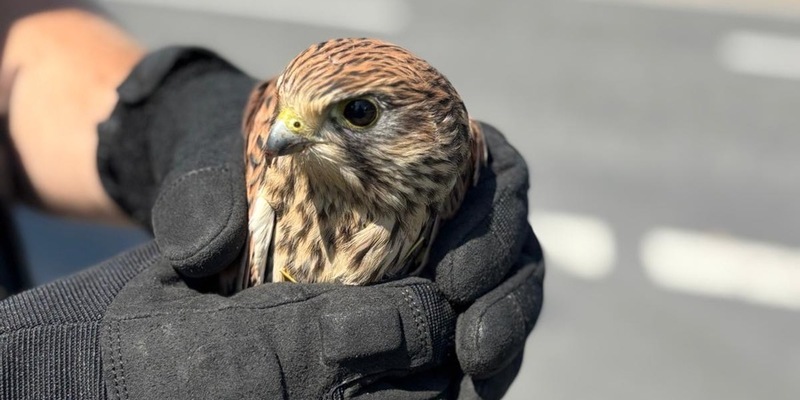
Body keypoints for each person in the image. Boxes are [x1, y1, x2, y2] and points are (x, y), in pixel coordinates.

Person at [0, 2, 544, 399]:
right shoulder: (281, 186)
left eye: (358, 114)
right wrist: (50, 370)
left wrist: (157, 109)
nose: (283, 133)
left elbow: (15, 41)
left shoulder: (454, 166)